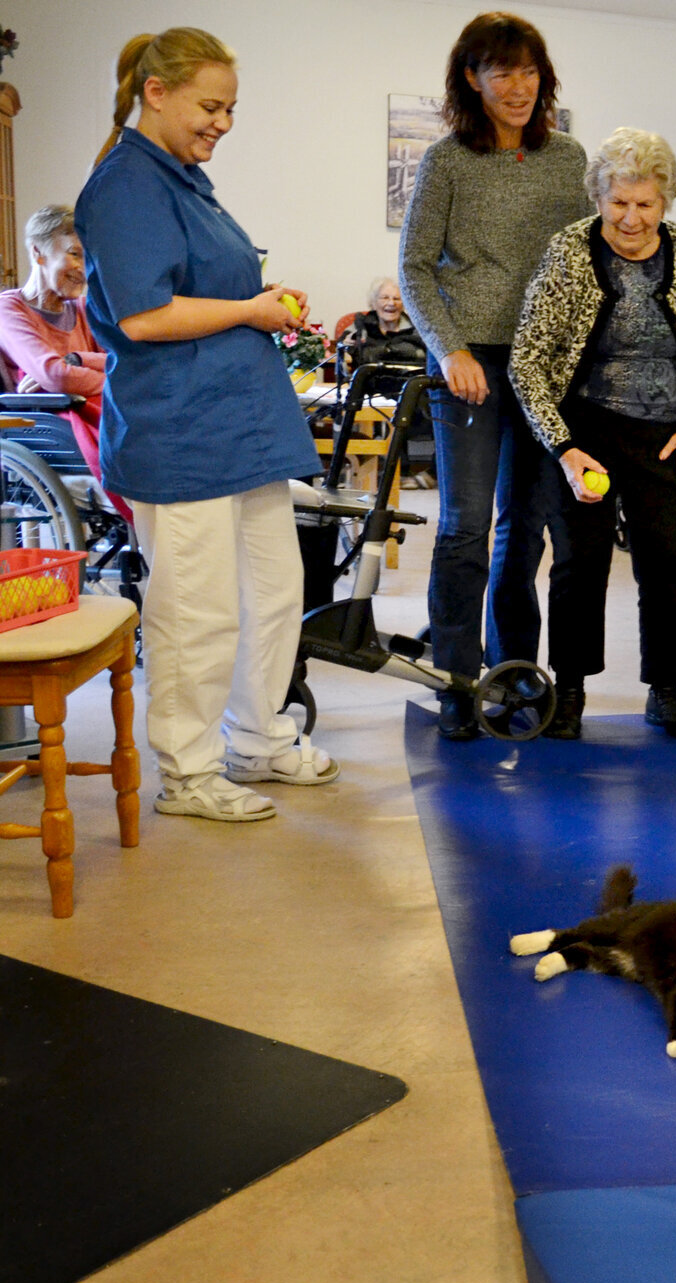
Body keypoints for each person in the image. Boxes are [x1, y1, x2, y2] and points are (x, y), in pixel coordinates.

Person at [75, 27, 336, 822]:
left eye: (230, 109)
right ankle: (188, 772)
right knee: (196, 608)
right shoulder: (125, 185)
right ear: (157, 93)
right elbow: (146, 316)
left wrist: (260, 304)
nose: (222, 122)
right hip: (180, 430)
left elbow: (204, 292)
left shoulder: (183, 179)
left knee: (273, 591)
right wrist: (253, 309)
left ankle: (257, 737)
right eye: (210, 106)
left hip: (239, 426)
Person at [399, 11, 590, 740]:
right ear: (471, 80)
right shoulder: (446, 160)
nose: (517, 86)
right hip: (469, 363)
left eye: (529, 70)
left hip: (545, 364)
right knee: (464, 525)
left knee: (525, 530)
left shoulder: (568, 158)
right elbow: (414, 266)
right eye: (500, 71)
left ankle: (514, 676)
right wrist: (450, 350)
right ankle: (455, 679)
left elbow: (583, 260)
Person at [510, 127, 676, 742]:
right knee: (579, 565)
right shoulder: (569, 251)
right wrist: (562, 446)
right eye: (619, 202)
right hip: (588, 429)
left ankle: (666, 691)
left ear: (665, 202)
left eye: (646, 204)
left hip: (667, 436)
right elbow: (528, 357)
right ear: (598, 197)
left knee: (664, 564)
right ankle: (573, 690)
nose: (632, 218)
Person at [0, 205, 127, 521]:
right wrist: (66, 373)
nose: (83, 269)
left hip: (101, 411)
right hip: (52, 427)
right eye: (74, 255)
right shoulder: (9, 309)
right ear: (38, 253)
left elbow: (120, 363)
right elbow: (55, 375)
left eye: (88, 258)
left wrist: (78, 361)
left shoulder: (83, 308)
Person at [340, 276, 426, 372]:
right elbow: (342, 348)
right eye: (385, 298)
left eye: (397, 299)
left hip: (409, 383)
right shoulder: (361, 326)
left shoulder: (416, 329)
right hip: (369, 383)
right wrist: (347, 345)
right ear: (374, 303)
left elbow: (425, 357)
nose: (391, 303)